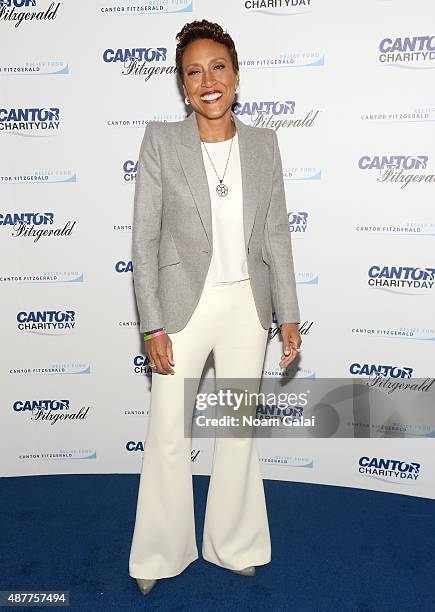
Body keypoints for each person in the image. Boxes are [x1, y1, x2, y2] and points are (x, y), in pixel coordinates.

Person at [128, 19, 302, 596]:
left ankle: (235, 544)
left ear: (235, 75)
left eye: (217, 68)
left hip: (246, 308)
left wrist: (288, 314)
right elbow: (144, 241)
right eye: (193, 72)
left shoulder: (264, 145)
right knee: (169, 432)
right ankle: (160, 552)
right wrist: (151, 324)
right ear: (183, 86)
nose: (208, 81)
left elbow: (277, 234)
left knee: (237, 432)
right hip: (182, 306)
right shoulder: (160, 140)